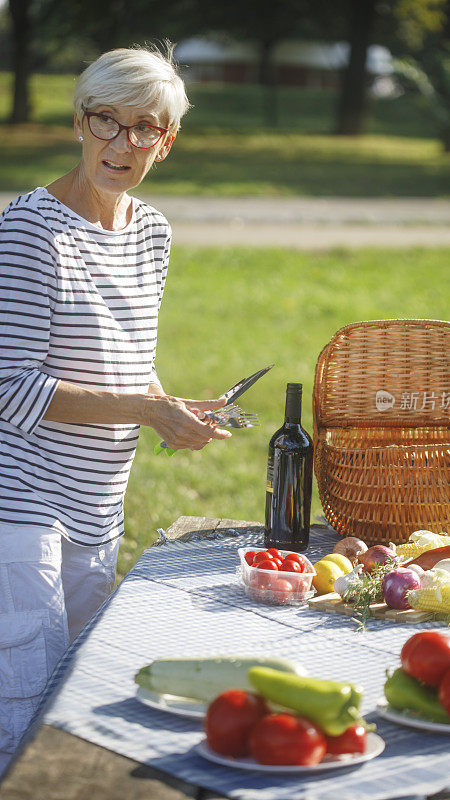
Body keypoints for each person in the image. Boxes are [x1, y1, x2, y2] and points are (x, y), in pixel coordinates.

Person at [0, 44, 231, 770]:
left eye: (144, 128)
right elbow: (10, 388)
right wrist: (143, 408)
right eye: (106, 120)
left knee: (71, 710)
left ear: (166, 142)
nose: (120, 143)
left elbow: (122, 357)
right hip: (21, 509)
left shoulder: (152, 233)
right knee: (21, 720)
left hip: (99, 506)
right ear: (79, 121)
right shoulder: (27, 233)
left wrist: (167, 403)